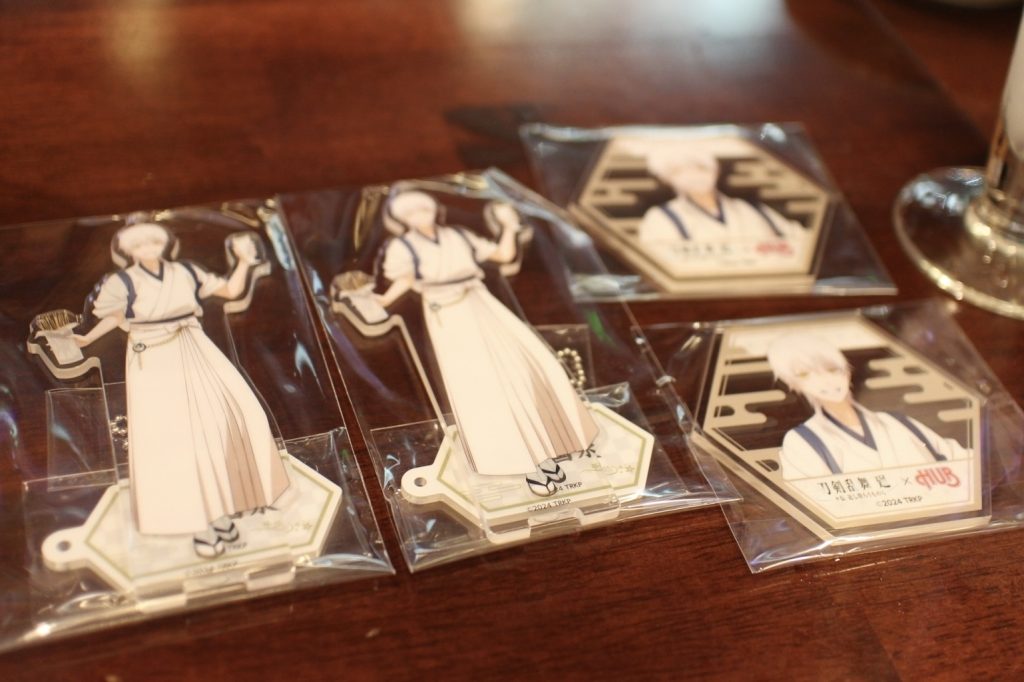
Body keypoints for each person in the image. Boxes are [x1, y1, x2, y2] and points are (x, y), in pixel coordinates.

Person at [74, 218, 290, 557]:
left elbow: (230, 291)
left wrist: (244, 262)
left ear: (164, 243)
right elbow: (113, 317)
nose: (147, 249)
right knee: (174, 436)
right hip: (152, 352)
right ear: (127, 251)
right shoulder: (121, 281)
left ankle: (223, 510)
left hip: (194, 342)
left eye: (153, 241)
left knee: (231, 414)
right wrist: (87, 338)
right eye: (138, 245)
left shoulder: (187, 271)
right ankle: (196, 522)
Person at [375, 190, 599, 496]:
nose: (419, 216)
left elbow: (503, 256)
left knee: (524, 362)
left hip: (480, 300)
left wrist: (508, 226)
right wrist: (382, 301)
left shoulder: (459, 235)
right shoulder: (402, 247)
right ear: (402, 219)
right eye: (411, 213)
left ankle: (553, 446)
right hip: (446, 312)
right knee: (479, 383)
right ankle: (514, 462)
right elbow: (404, 280)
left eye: (423, 209)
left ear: (434, 209)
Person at [766, 334, 969, 480]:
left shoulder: (896, 422)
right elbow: (812, 505)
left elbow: (963, 460)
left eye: (831, 369)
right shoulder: (802, 441)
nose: (825, 381)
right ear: (794, 384)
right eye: (805, 374)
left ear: (846, 371)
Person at [637, 148, 803, 252]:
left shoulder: (752, 209)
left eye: (700, 168)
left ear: (715, 171)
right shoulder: (659, 217)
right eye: (680, 171)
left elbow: (800, 241)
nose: (693, 176)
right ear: (668, 179)